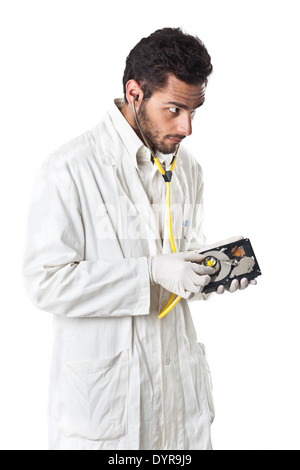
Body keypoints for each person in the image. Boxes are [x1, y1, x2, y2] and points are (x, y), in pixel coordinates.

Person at [23, 27, 255, 451]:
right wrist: (148, 273)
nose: (187, 127)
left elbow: (177, 275)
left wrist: (209, 274)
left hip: (180, 404)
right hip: (108, 409)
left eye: (194, 111)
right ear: (135, 93)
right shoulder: (69, 168)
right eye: (174, 109)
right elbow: (45, 281)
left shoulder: (188, 170)